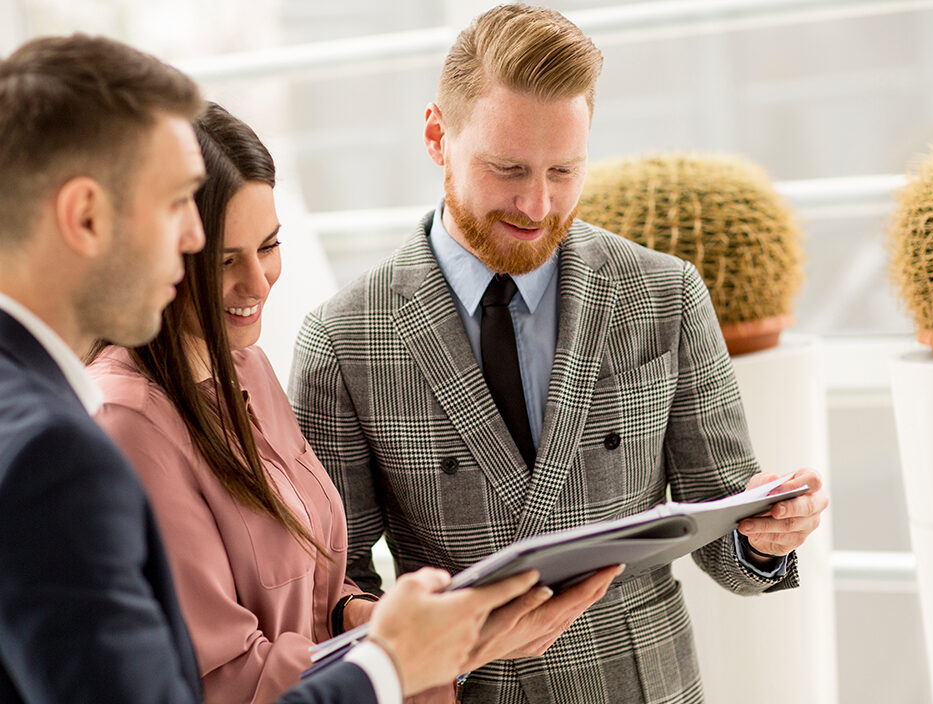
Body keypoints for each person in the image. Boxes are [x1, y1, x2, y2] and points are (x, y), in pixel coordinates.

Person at [0, 33, 603, 704]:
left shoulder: (243, 368)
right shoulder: (66, 446)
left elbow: (310, 573)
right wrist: (402, 662)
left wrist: (362, 620)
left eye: (267, 244)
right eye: (177, 208)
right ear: (83, 216)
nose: (194, 241)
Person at [289, 4, 831, 703]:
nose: (537, 205)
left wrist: (765, 536)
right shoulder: (343, 340)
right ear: (436, 136)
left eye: (564, 171)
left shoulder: (664, 294)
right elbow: (338, 588)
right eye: (507, 168)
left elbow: (724, 528)